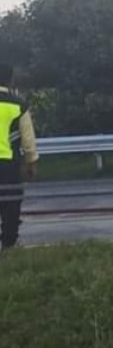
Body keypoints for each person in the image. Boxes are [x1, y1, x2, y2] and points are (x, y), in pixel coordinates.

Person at [0, 63, 38, 250]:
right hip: (8, 164)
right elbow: (28, 139)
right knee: (11, 204)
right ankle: (8, 245)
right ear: (11, 79)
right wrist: (31, 163)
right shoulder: (18, 105)